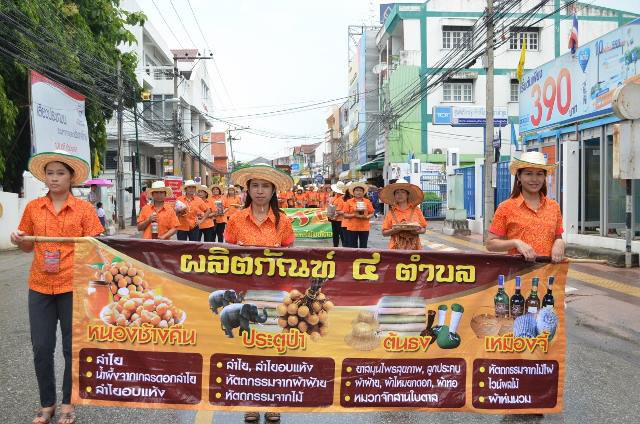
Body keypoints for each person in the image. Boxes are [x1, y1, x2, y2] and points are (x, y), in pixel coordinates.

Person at [11, 151, 104, 424]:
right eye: (50, 173)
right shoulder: (33, 207)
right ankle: (47, 403)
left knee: (71, 347)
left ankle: (68, 402)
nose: (54, 178)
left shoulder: (85, 209)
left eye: (60, 173)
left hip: (73, 284)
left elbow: (97, 247)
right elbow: (27, 245)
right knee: (41, 346)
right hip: (40, 285)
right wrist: (18, 239)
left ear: (71, 177)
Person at [223, 164, 295, 423]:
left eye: (265, 186)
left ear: (273, 190)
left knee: (274, 348)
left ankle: (273, 401)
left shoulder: (283, 221)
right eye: (255, 186)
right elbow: (225, 254)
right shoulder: (235, 219)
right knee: (249, 347)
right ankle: (251, 401)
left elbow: (292, 256)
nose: (260, 191)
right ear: (248, 190)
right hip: (246, 295)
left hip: (275, 293)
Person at [486, 151, 565, 263]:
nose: (534, 179)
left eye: (539, 174)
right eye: (528, 174)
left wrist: (559, 242)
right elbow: (490, 244)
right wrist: (515, 243)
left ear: (544, 177)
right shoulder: (506, 207)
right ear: (519, 176)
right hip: (518, 272)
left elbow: (558, 237)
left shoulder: (554, 206)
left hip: (550, 272)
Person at [380, 181, 427, 250]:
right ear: (394, 196)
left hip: (414, 249)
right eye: (397, 192)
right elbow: (384, 233)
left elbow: (423, 229)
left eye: (403, 192)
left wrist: (417, 231)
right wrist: (394, 230)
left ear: (407, 195)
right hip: (395, 249)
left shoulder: (416, 210)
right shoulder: (391, 212)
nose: (400, 195)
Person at [342, 182, 374, 248]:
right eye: (357, 190)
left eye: (360, 190)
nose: (358, 192)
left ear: (363, 192)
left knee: (363, 246)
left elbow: (372, 213)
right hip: (352, 227)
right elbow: (344, 215)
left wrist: (367, 217)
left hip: (364, 227)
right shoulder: (349, 201)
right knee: (352, 247)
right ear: (353, 192)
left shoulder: (367, 201)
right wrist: (354, 215)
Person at [328, 182, 346, 247]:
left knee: (342, 234)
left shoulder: (343, 198)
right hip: (334, 218)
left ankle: (344, 247)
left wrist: (335, 214)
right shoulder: (335, 197)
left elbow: (340, 209)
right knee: (335, 234)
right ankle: (335, 246)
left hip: (340, 219)